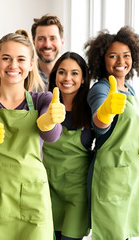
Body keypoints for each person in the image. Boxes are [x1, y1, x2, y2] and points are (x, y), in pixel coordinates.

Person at [0, 30, 66, 240]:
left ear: (31, 64)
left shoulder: (42, 100)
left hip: (32, 199)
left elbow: (52, 136)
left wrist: (48, 121)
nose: (13, 65)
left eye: (21, 59)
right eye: (6, 58)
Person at [84, 25, 139, 240]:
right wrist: (106, 112)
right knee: (111, 235)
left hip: (131, 173)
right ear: (102, 60)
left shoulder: (129, 88)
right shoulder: (101, 90)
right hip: (109, 176)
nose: (121, 61)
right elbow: (100, 125)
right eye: (113, 56)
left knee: (126, 234)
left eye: (126, 56)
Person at [42, 52, 93, 240]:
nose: (67, 78)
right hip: (46, 191)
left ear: (83, 79)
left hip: (77, 196)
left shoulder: (91, 109)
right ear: (55, 76)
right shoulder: (44, 106)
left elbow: (107, 141)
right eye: (62, 72)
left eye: (74, 73)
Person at [31, 14, 65, 90]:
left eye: (53, 38)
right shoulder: (26, 76)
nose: (47, 45)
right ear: (33, 43)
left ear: (62, 42)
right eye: (41, 39)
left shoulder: (73, 76)